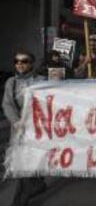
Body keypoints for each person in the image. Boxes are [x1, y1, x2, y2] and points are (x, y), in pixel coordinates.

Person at [1, 51, 46, 206]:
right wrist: (15, 121)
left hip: (37, 130)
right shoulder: (11, 82)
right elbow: (7, 104)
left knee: (32, 161)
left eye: (24, 61)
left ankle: (37, 184)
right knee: (23, 165)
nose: (20, 64)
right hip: (19, 130)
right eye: (17, 61)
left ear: (31, 63)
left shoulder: (41, 81)